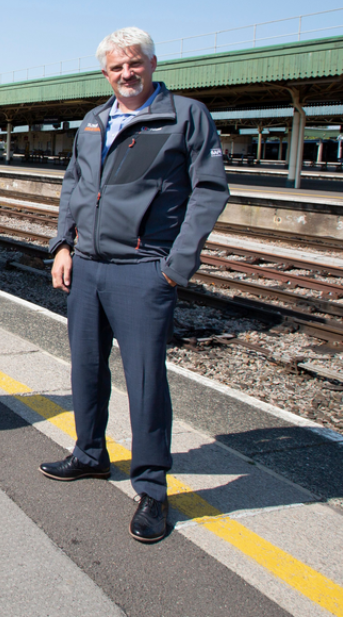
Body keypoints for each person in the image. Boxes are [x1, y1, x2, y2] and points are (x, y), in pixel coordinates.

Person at [43, 27, 229, 543]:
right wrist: (62, 245)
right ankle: (89, 454)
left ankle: (151, 487)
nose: (126, 73)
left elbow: (210, 192)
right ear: (106, 73)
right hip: (86, 266)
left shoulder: (185, 115)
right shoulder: (93, 121)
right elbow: (74, 185)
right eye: (115, 67)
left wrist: (175, 267)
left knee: (145, 380)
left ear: (151, 63)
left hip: (143, 268)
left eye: (134, 64)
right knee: (84, 365)